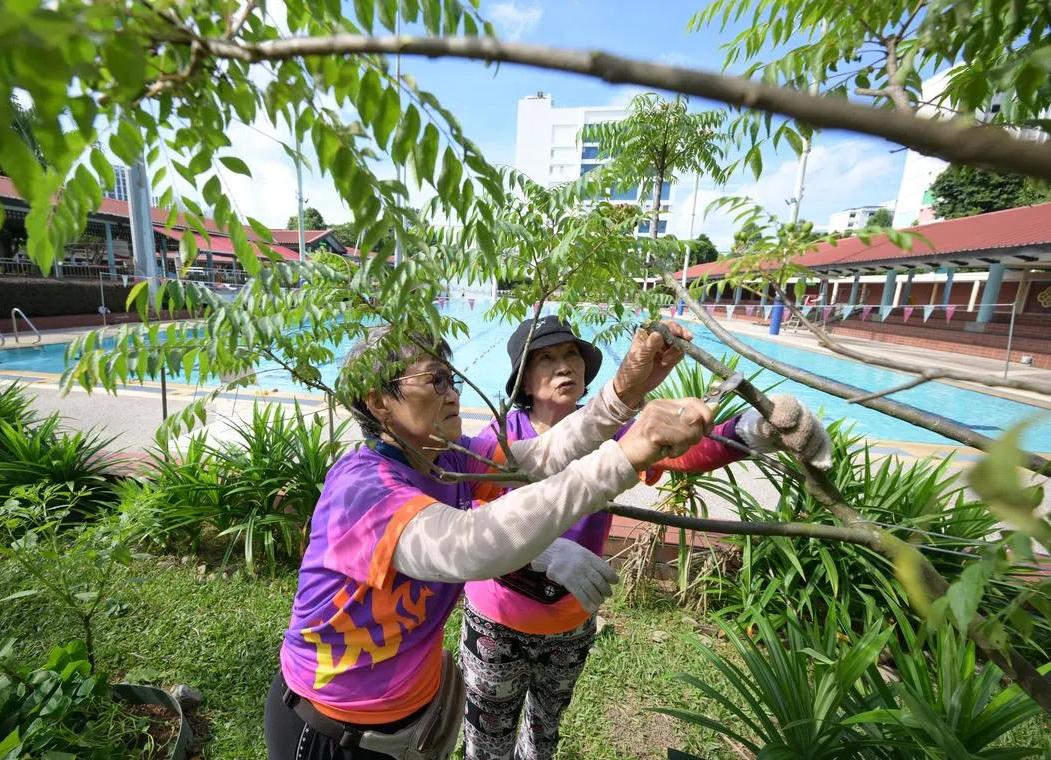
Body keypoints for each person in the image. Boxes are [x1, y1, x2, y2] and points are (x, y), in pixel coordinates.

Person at [266, 319, 716, 760]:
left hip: (408, 725)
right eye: (435, 380)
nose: (453, 391)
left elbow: (543, 454)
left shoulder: (447, 460)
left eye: (452, 378)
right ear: (380, 402)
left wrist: (624, 392)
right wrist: (623, 455)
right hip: (331, 730)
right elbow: (471, 545)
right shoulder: (363, 491)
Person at [459, 315, 832, 760]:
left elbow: (678, 451)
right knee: (488, 736)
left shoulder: (612, 432)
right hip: (498, 619)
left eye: (571, 355)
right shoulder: (502, 437)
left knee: (543, 736)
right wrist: (541, 552)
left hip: (570, 618)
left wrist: (753, 430)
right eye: (547, 359)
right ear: (523, 380)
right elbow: (469, 511)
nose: (565, 367)